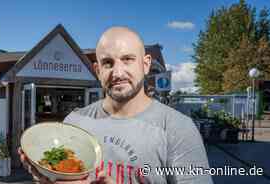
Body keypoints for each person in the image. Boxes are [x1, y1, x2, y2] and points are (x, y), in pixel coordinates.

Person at [19, 26, 213, 184]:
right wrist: (45, 179)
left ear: (145, 65)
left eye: (128, 59)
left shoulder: (177, 128)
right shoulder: (75, 122)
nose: (118, 73)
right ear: (97, 70)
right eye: (108, 63)